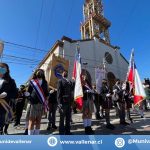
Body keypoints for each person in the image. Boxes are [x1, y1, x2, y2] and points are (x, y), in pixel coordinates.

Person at [27, 69, 49, 135]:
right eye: (38, 72)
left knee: (38, 121)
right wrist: (29, 97)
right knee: (31, 122)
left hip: (41, 104)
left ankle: (36, 136)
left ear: (43, 74)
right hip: (33, 104)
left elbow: (46, 93)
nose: (40, 73)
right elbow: (28, 92)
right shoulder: (32, 81)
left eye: (42, 72)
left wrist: (47, 98)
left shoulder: (45, 82)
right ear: (36, 73)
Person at [0, 63, 18, 135]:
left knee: (2, 123)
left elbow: (16, 94)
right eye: (0, 67)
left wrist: (7, 94)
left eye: (3, 68)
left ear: (7, 70)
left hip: (3, 107)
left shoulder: (11, 81)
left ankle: (3, 131)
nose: (1, 69)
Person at [57, 70, 73, 135]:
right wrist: (59, 102)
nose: (65, 73)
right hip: (63, 102)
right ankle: (61, 132)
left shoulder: (69, 81)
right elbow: (59, 92)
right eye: (63, 72)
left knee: (68, 118)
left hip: (69, 102)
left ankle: (67, 131)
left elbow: (72, 91)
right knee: (62, 118)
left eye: (66, 72)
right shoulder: (60, 81)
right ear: (62, 74)